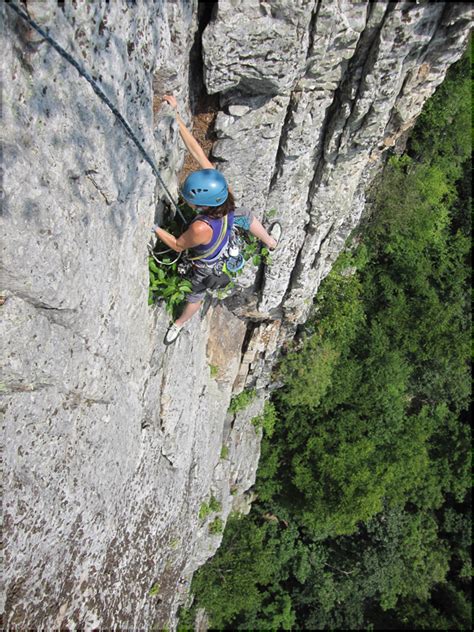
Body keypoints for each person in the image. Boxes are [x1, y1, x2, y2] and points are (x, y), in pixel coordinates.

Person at [153, 94, 281, 345]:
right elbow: (197, 151)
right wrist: (176, 116)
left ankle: (178, 324)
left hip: (208, 264)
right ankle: (271, 242)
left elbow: (178, 245)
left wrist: (152, 227)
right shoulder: (223, 193)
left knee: (196, 295)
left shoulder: (200, 227)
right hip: (226, 228)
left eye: (190, 200)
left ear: (201, 205)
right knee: (244, 216)